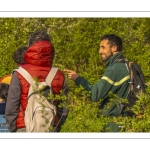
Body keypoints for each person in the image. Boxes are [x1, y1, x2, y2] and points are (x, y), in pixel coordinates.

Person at [64, 34, 131, 132]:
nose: (100, 51)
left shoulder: (115, 69)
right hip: (127, 120)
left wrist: (77, 79)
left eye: (103, 47)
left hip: (114, 123)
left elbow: (94, 94)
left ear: (114, 48)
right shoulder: (127, 64)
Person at [5, 31, 68, 132]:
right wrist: (56, 126)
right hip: (50, 127)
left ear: (30, 48)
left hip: (24, 128)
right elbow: (63, 109)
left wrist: (13, 129)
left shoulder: (19, 74)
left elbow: (11, 107)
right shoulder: (59, 75)